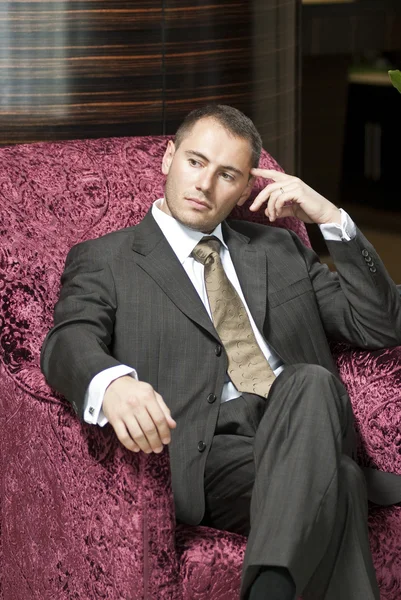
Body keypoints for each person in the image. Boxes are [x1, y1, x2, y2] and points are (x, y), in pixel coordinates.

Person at [41, 104, 401, 600]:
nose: (205, 184)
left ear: (244, 188)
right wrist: (112, 383)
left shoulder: (280, 249)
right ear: (168, 158)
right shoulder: (107, 259)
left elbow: (380, 324)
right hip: (205, 455)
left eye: (226, 174)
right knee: (339, 479)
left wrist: (330, 218)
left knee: (309, 380)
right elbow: (68, 339)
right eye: (195, 162)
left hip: (302, 420)